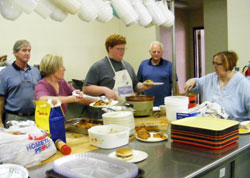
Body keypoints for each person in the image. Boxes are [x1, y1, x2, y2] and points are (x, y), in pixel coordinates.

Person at [83, 34, 152, 102]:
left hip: (127, 109)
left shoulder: (128, 66)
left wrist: (143, 86)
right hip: (108, 110)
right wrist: (104, 90)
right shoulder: (98, 67)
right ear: (109, 48)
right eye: (119, 49)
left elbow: (135, 86)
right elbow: (86, 89)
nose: (122, 51)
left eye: (124, 48)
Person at [184, 50, 250, 121]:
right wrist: (192, 81)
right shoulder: (210, 79)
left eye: (218, 64)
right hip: (210, 125)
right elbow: (197, 83)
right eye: (213, 63)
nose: (214, 66)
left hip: (235, 128)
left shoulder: (243, 84)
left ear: (228, 65)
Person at [0, 40, 41, 127]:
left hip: (34, 118)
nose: (27, 53)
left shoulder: (36, 72)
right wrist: (0, 121)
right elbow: (1, 100)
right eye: (24, 50)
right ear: (15, 52)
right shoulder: (4, 73)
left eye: (29, 50)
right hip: (14, 118)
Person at [137, 41, 179, 106]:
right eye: (154, 52)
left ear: (162, 53)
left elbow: (175, 84)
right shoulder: (143, 64)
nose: (156, 54)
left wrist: (177, 101)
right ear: (150, 52)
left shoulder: (169, 65)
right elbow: (138, 84)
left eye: (158, 52)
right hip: (147, 103)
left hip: (164, 104)